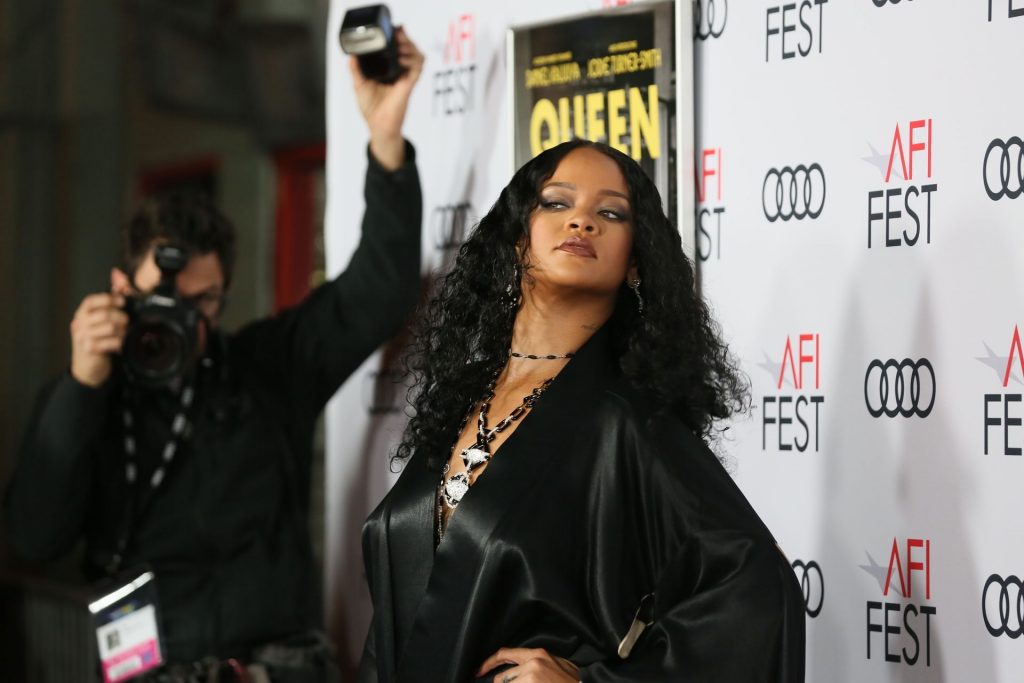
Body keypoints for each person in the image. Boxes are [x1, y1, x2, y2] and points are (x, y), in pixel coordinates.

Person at [4, 29, 425, 682]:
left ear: (224, 297)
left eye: (201, 302)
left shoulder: (265, 367)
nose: (179, 319)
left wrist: (386, 139)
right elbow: (34, 537)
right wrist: (81, 383)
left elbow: (378, 291)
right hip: (153, 669)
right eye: (161, 299)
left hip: (274, 666)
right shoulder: (93, 396)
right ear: (120, 288)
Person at [356, 140, 806, 683]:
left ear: (635, 260)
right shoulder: (464, 397)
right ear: (517, 236)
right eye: (556, 203)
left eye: (610, 213)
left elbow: (758, 588)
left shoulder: (624, 419)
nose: (582, 222)